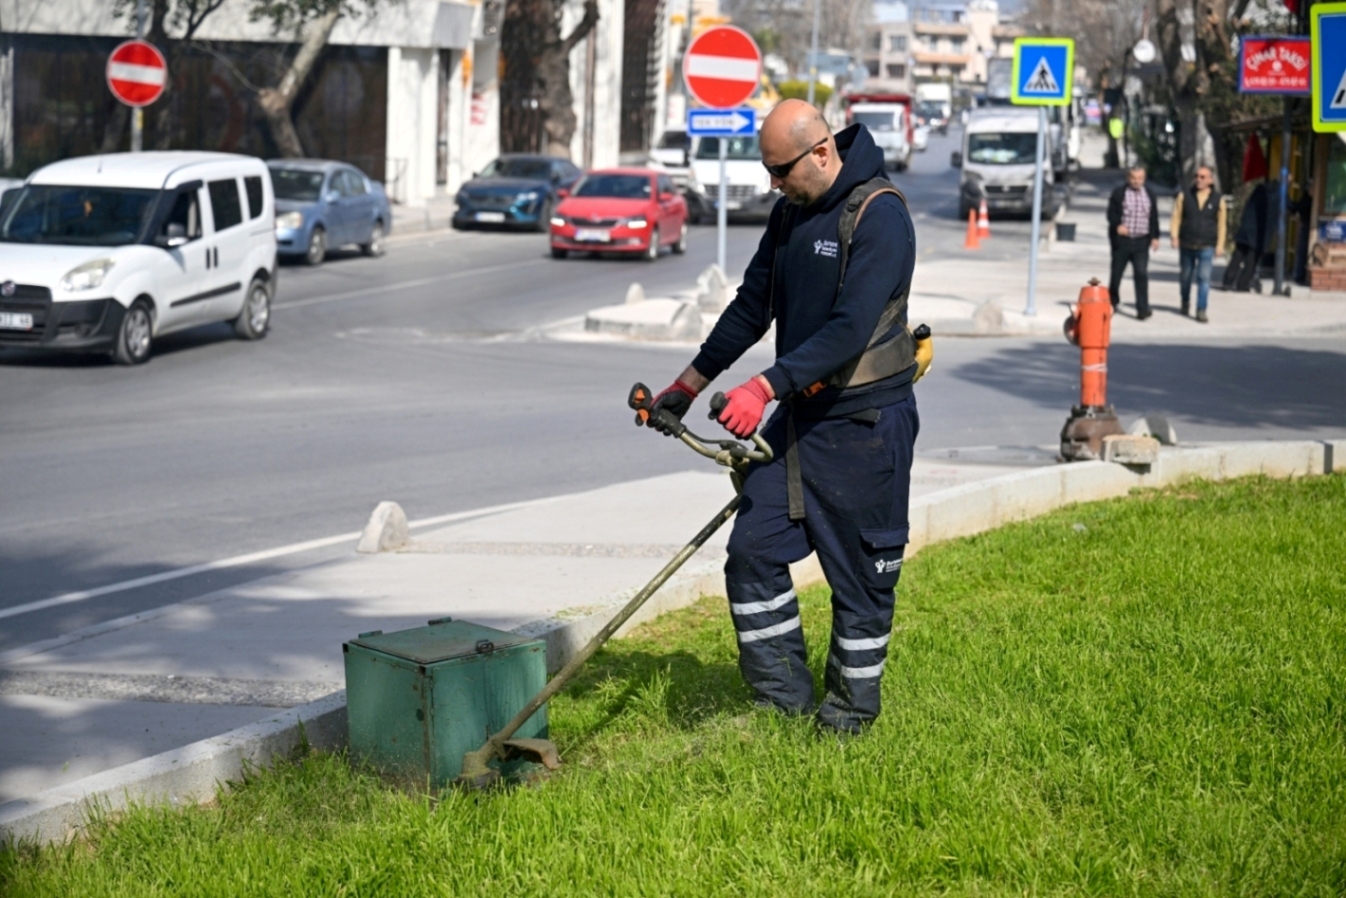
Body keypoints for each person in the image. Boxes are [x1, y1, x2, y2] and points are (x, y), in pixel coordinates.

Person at [643, 99, 921, 736]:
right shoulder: (790, 211)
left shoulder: (880, 217)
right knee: (751, 552)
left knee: (860, 584)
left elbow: (850, 329)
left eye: (780, 170)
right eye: (767, 172)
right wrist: (687, 386)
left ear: (822, 152)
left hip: (864, 427)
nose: (772, 184)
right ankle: (781, 702)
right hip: (801, 422)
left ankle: (848, 722)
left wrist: (764, 386)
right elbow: (750, 308)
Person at [1169, 165, 1226, 322]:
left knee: (1204, 278)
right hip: (1187, 243)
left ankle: (1201, 309)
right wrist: (1174, 236)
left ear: (1210, 180)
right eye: (1197, 176)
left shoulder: (1217, 199)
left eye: (1202, 177)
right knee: (1185, 277)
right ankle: (1185, 301)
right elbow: (1176, 217)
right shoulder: (1185, 195)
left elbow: (1222, 224)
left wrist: (1220, 245)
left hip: (1207, 245)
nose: (1198, 180)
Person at [1106, 165, 1160, 319]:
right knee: (1116, 274)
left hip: (1141, 242)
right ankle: (1112, 302)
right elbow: (1111, 214)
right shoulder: (1119, 193)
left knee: (1141, 274)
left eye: (1140, 178)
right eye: (1134, 178)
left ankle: (1142, 309)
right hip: (1122, 242)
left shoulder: (1149, 194)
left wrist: (1155, 237)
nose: (1137, 182)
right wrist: (1117, 225)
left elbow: (1153, 217)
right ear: (1128, 178)